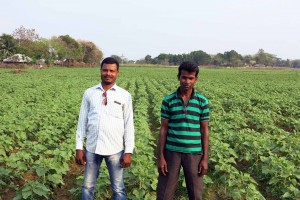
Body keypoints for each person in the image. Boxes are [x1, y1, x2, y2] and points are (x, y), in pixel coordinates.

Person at [75, 57, 135, 200]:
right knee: (87, 187)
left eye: (111, 71)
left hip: (115, 149)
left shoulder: (124, 95)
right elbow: (82, 121)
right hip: (92, 148)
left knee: (118, 189)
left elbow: (129, 125)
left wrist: (128, 151)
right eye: (105, 70)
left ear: (117, 73)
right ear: (100, 71)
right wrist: (79, 147)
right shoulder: (89, 93)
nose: (108, 73)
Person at [156, 61, 209, 200]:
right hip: (171, 152)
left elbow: (205, 131)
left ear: (196, 79)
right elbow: (163, 129)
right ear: (178, 77)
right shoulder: (168, 100)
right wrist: (161, 156)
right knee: (164, 194)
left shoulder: (202, 102)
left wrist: (205, 157)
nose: (187, 81)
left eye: (191, 78)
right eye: (184, 77)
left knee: (196, 194)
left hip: (194, 154)